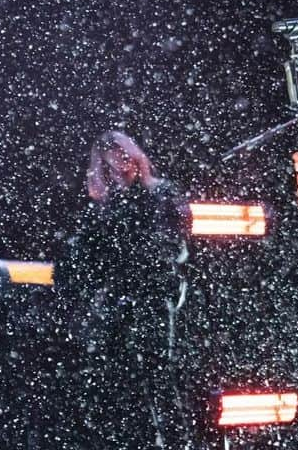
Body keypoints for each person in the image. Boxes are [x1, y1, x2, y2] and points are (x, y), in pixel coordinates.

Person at [58, 131, 190, 448]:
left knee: (157, 377)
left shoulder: (160, 195)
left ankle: (171, 441)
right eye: (112, 160)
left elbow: (175, 247)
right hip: (122, 300)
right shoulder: (106, 208)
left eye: (122, 155)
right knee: (122, 381)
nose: (120, 164)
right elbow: (86, 258)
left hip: (150, 296)